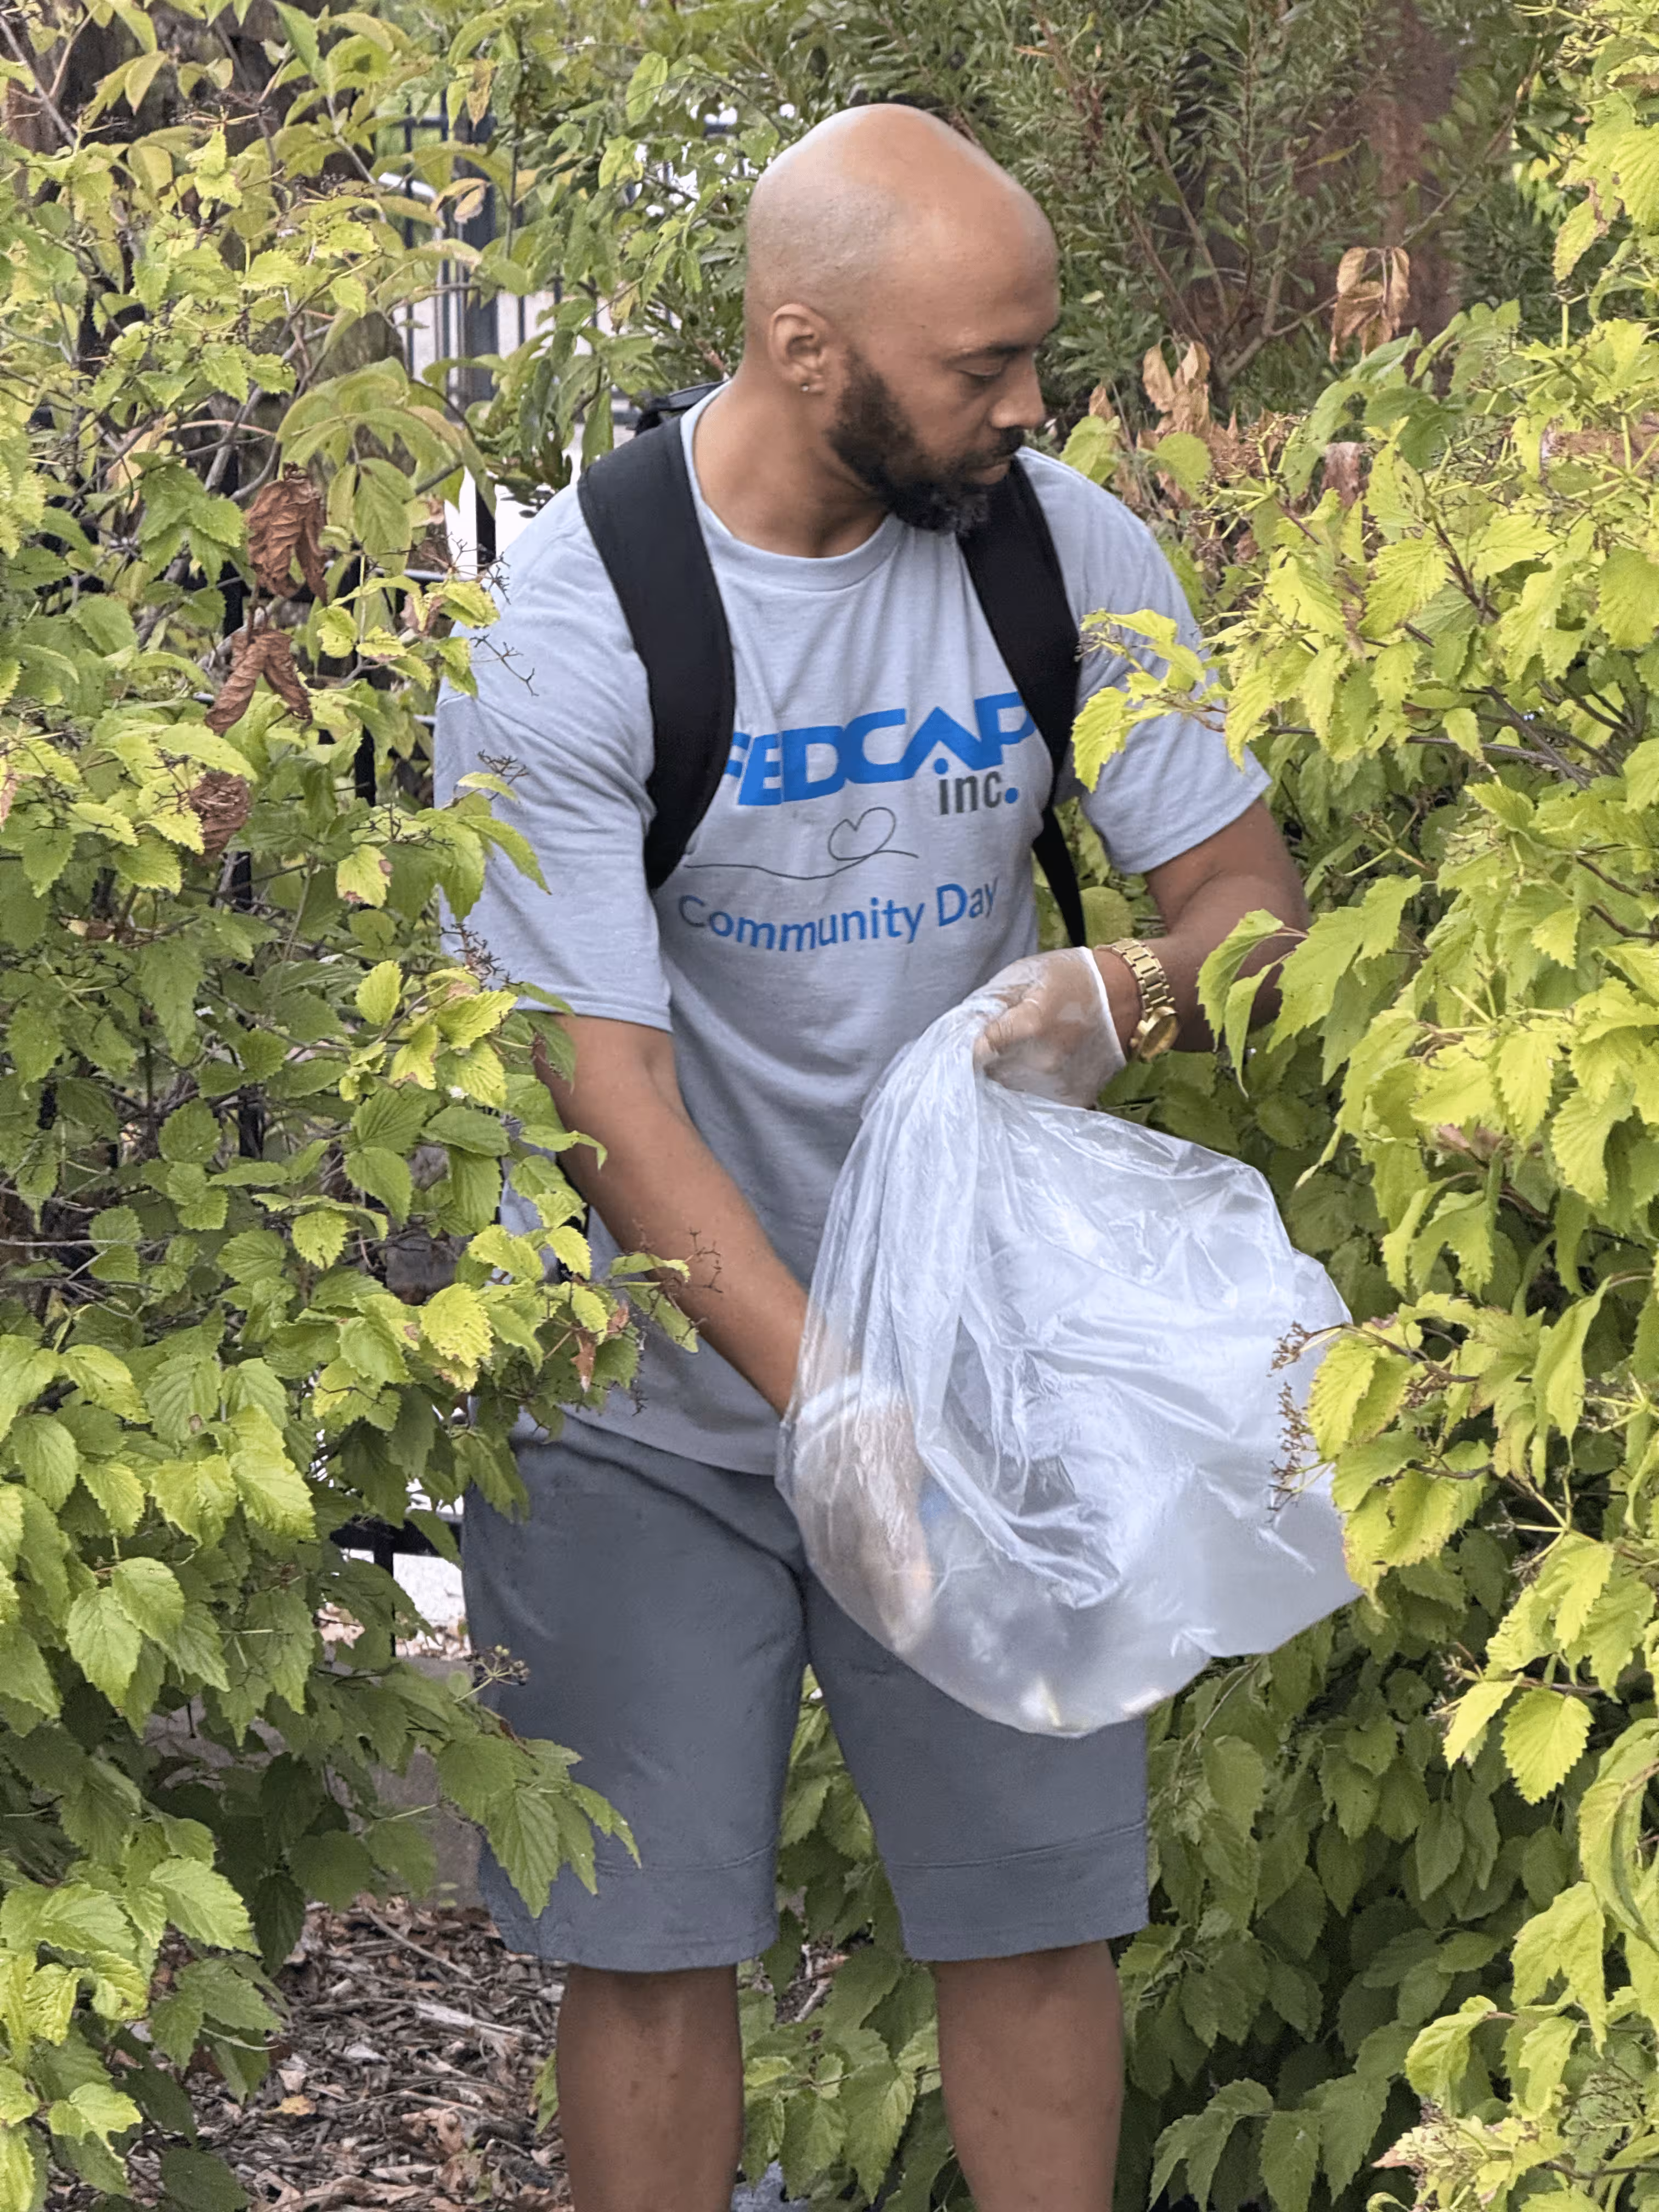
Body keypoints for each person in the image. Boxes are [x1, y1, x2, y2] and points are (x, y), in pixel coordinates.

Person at [435, 103, 1308, 2212]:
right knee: (650, 1950)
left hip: (982, 1351)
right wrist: (836, 1406)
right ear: (807, 347)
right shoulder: (571, 625)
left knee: (1036, 1914)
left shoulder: (1059, 549)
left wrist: (1127, 998)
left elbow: (1253, 909)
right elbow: (604, 1096)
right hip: (628, 1385)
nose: (1029, 406)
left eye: (1034, 356)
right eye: (980, 370)